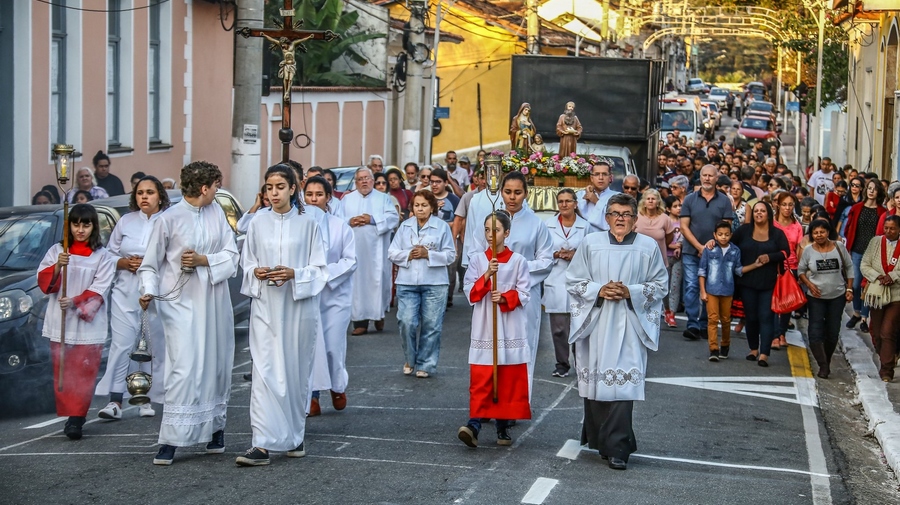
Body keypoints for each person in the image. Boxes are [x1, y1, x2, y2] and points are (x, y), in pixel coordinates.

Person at [138, 161, 240, 465]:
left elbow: (231, 253)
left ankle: (214, 430)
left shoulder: (217, 211)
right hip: (180, 303)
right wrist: (146, 290)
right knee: (184, 367)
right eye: (216, 186)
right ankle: (170, 439)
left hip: (214, 299)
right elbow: (149, 264)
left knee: (216, 364)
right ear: (205, 188)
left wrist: (202, 260)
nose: (218, 191)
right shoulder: (168, 219)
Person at [565, 193, 668, 470]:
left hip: (629, 324)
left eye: (626, 214)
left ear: (635, 219)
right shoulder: (591, 243)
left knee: (622, 386)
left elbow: (660, 284)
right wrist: (599, 289)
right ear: (606, 217)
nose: (620, 219)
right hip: (597, 322)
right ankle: (601, 441)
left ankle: (619, 448)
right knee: (597, 383)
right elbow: (574, 280)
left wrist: (630, 291)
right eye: (615, 213)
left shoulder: (647, 247)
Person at [235, 164, 328, 467]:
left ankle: (295, 436)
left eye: (279, 187)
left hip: (298, 309)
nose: (273, 193)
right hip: (265, 307)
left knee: (294, 371)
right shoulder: (257, 223)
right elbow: (246, 263)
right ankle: (261, 444)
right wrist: (256, 272)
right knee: (264, 371)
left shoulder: (309, 223)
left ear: (292, 189)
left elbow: (319, 270)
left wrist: (294, 274)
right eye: (269, 188)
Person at [471, 172, 553, 398]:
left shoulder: (536, 224)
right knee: (488, 344)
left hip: (523, 294)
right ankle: (488, 399)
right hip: (491, 292)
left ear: (526, 193)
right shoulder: (490, 222)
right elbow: (475, 252)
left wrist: (516, 268)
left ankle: (516, 401)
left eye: (518, 192)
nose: (512, 197)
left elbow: (546, 261)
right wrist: (485, 276)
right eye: (508, 192)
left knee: (521, 346)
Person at [94, 176, 171, 420]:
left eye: (150, 192)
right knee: (121, 344)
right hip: (125, 291)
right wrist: (124, 262)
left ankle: (146, 398)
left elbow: (175, 257)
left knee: (151, 344)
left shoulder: (168, 220)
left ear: (160, 195)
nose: (144, 197)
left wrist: (149, 265)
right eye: (140, 193)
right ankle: (115, 400)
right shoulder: (126, 221)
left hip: (156, 292)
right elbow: (108, 255)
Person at [37, 204, 116, 440]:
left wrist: (74, 302)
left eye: (86, 224)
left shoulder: (103, 256)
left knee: (83, 370)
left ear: (94, 227)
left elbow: (100, 289)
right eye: (76, 224)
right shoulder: (56, 251)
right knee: (64, 369)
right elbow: (44, 282)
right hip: (59, 321)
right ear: (69, 226)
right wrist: (59, 265)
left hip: (87, 324)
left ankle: (77, 419)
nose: (80, 230)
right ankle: (69, 412)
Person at [457, 211, 531, 448]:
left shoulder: (519, 260)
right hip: (485, 326)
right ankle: (474, 424)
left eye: (496, 230)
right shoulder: (478, 259)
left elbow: (525, 293)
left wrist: (507, 297)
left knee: (506, 377)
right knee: (482, 376)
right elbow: (470, 292)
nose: (490, 234)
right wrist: (488, 274)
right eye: (487, 230)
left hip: (509, 327)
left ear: (507, 233)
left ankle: (502, 425)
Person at [303, 177, 356, 416]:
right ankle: (311, 396)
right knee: (310, 347)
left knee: (333, 346)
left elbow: (350, 260)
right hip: (307, 295)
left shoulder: (340, 226)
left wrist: (324, 275)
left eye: (318, 195)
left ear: (328, 198)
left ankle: (336, 386)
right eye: (309, 194)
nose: (313, 199)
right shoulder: (298, 225)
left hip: (335, 296)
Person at [388, 191, 456, 378]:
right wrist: (408, 254)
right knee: (406, 322)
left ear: (432, 207)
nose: (420, 209)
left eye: (424, 205)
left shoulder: (442, 227)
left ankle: (426, 364)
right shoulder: (405, 227)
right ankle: (410, 358)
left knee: (431, 324)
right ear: (412, 208)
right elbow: (392, 252)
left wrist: (429, 255)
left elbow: (451, 255)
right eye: (416, 205)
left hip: (435, 283)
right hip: (407, 282)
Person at [680, 165, 734, 341]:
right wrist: (699, 247)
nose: (707, 178)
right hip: (691, 252)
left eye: (711, 176)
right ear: (700, 177)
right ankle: (693, 324)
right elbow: (684, 226)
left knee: (710, 289)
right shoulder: (689, 199)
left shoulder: (724, 201)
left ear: (716, 178)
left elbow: (726, 228)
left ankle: (705, 324)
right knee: (691, 287)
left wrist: (711, 246)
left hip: (716, 254)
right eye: (704, 175)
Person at [343, 167, 400, 335]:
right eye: (360, 179)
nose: (364, 181)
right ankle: (359, 322)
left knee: (377, 281)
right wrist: (350, 221)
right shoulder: (347, 200)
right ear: (356, 182)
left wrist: (372, 220)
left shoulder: (383, 199)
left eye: (367, 178)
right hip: (354, 250)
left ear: (373, 181)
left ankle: (378, 315)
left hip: (377, 251)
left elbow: (393, 218)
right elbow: (337, 220)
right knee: (357, 284)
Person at [732, 202, 789, 366]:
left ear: (768, 214)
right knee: (751, 317)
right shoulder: (743, 231)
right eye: (756, 211)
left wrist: (770, 257)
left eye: (762, 211)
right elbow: (729, 244)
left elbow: (786, 252)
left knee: (766, 316)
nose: (759, 213)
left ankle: (764, 353)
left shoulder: (777, 233)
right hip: (747, 282)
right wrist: (713, 243)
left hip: (769, 282)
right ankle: (753, 349)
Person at [798, 219, 853, 379]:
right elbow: (800, 270)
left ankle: (826, 360)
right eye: (815, 233)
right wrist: (809, 285)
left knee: (832, 332)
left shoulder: (839, 247)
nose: (819, 235)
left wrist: (849, 288)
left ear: (828, 232)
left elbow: (849, 267)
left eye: (822, 232)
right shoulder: (808, 250)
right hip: (816, 297)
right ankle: (823, 365)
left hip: (837, 296)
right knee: (814, 332)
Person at [543, 189, 589, 378]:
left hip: (578, 280)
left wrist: (574, 255)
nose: (564, 205)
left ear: (575, 204)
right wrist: (555, 254)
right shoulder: (548, 225)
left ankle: (581, 363)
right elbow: (542, 251)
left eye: (568, 201)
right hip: (556, 279)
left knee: (579, 327)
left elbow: (591, 253)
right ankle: (562, 364)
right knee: (559, 328)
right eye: (560, 201)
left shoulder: (586, 226)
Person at [699, 222, 750, 361]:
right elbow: (702, 271)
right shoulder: (709, 249)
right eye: (720, 234)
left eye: (727, 235)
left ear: (731, 235)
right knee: (712, 319)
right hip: (711, 289)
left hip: (728, 290)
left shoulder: (735, 251)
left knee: (726, 320)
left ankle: (725, 345)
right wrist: (702, 291)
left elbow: (738, 270)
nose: (723, 237)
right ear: (715, 235)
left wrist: (755, 265)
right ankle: (713, 349)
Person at [843, 179, 887, 332]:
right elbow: (848, 228)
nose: (871, 191)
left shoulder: (882, 212)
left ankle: (863, 317)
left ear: (878, 192)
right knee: (855, 284)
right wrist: (847, 246)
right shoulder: (856, 208)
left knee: (868, 285)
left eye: (874, 189)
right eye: (869, 188)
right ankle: (855, 312)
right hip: (856, 250)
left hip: (873, 253)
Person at [860, 215, 900, 382]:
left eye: (892, 229)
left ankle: (886, 370)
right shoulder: (875, 242)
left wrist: (893, 275)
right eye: (886, 228)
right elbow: (864, 264)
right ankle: (890, 355)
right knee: (876, 333)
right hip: (876, 293)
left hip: (897, 293)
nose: (888, 231)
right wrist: (877, 276)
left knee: (887, 331)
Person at [771, 191, 803, 350]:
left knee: (786, 303)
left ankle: (782, 333)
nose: (787, 208)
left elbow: (799, 248)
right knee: (772, 301)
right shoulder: (772, 223)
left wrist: (799, 270)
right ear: (778, 205)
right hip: (772, 265)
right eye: (784, 204)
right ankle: (774, 335)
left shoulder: (797, 225)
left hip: (791, 267)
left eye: (791, 205)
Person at [429, 169, 461, 305]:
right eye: (432, 182)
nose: (435, 185)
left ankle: (447, 297)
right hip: (430, 240)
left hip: (451, 238)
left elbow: (460, 220)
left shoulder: (453, 199)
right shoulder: (426, 198)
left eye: (438, 182)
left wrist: (449, 226)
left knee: (450, 269)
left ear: (445, 183)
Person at [577, 161, 620, 234]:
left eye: (604, 174)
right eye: (597, 174)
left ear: (610, 178)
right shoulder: (580, 195)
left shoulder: (617, 196)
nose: (601, 178)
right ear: (591, 178)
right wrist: (585, 199)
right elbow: (575, 218)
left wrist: (596, 201)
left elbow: (614, 220)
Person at [664, 196, 683, 327]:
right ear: (668, 209)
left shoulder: (684, 222)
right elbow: (660, 237)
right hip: (665, 256)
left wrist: (680, 245)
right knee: (665, 286)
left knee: (675, 286)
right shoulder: (666, 221)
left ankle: (672, 314)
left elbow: (686, 236)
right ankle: (666, 310)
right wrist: (670, 245)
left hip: (678, 258)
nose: (678, 209)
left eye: (679, 206)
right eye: (675, 206)